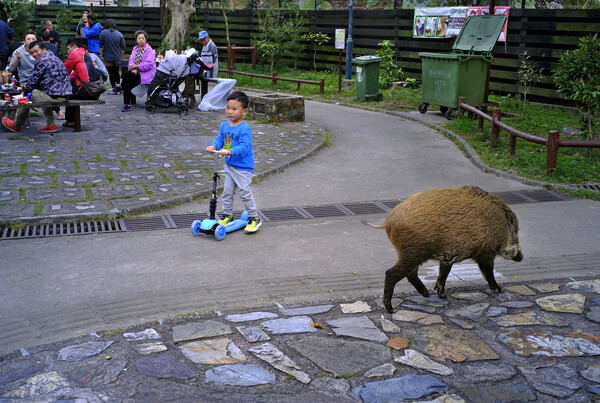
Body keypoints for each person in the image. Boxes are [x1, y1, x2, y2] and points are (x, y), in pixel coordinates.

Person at [205, 91, 261, 233]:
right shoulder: (224, 126)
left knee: (244, 192)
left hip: (243, 167)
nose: (230, 112)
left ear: (244, 111)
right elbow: (220, 140)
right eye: (228, 108)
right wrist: (213, 146)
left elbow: (245, 147)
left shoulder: (244, 128)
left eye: (234, 109)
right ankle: (227, 215)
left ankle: (254, 217)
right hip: (230, 166)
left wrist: (230, 151)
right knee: (227, 192)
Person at [2, 41, 71, 134]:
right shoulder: (53, 57)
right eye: (32, 53)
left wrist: (25, 93)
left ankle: (15, 125)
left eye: (36, 51)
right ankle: (51, 125)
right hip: (64, 94)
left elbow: (33, 81)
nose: (34, 54)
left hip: (57, 96)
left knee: (27, 97)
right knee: (41, 94)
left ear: (44, 49)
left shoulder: (43, 60)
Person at [63, 37, 103, 129]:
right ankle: (71, 120)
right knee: (71, 89)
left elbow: (64, 72)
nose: (68, 51)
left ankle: (70, 121)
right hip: (96, 91)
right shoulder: (85, 53)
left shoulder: (74, 54)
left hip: (87, 91)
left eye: (69, 48)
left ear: (74, 46)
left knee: (67, 92)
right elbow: (75, 73)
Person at [120, 30, 155, 112]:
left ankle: (121, 86)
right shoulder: (135, 49)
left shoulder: (149, 50)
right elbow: (131, 61)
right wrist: (133, 68)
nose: (141, 40)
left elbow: (149, 64)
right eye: (139, 38)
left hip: (145, 76)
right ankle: (127, 104)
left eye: (143, 38)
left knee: (126, 75)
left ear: (146, 39)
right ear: (136, 40)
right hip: (134, 74)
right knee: (127, 85)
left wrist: (137, 67)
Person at [100, 18, 125, 93]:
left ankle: (113, 88)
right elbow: (123, 47)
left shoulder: (103, 33)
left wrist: (101, 55)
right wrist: (120, 55)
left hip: (107, 56)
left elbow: (101, 46)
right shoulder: (119, 34)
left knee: (111, 72)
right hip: (117, 56)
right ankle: (118, 85)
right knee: (116, 71)